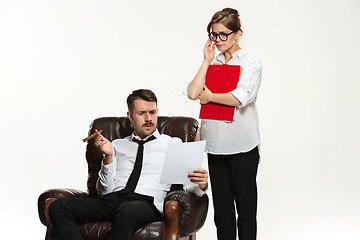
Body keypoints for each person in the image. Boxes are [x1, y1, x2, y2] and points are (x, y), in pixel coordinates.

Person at [49, 89, 208, 240]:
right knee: (58, 207)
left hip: (147, 203)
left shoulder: (173, 144)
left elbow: (188, 186)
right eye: (141, 113)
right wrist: (108, 156)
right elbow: (105, 192)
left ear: (157, 112)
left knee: (126, 210)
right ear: (130, 116)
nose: (148, 119)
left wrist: (201, 185)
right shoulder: (117, 145)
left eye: (152, 112)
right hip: (114, 199)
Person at [187, 8, 262, 240]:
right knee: (222, 212)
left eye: (223, 35)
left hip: (243, 146)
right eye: (213, 34)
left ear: (237, 33)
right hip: (216, 145)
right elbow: (192, 93)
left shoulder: (251, 62)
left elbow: (241, 97)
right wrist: (206, 61)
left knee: (246, 211)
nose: (217, 40)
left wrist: (210, 97)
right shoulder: (213, 61)